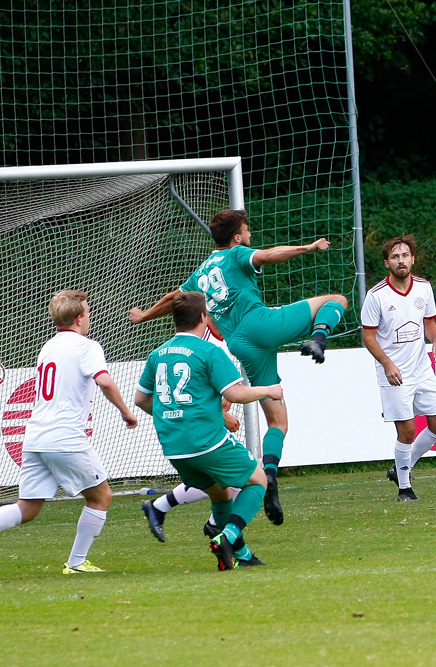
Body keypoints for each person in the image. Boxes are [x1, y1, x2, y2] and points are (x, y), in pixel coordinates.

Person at [129, 208, 348, 526]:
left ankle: (269, 477)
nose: (249, 236)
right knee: (337, 300)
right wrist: (309, 248)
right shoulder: (236, 255)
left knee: (278, 422)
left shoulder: (201, 272)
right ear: (236, 237)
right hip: (261, 324)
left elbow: (175, 298)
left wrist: (144, 315)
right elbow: (269, 255)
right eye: (246, 231)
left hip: (241, 345)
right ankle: (318, 339)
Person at [0, 290, 139, 577]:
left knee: (28, 507)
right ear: (78, 319)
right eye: (87, 313)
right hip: (65, 437)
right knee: (101, 497)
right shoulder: (88, 346)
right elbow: (105, 382)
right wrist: (126, 411)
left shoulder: (48, 346)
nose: (89, 318)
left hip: (36, 437)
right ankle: (76, 562)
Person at [135, 292, 284, 570]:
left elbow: (141, 399)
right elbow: (235, 393)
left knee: (220, 495)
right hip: (206, 440)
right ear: (204, 317)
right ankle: (227, 536)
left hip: (174, 446)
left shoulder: (157, 354)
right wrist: (269, 390)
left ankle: (240, 557)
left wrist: (170, 416)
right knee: (258, 481)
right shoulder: (209, 351)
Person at [360, 235, 436, 502]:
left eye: (405, 255)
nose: (401, 260)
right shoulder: (376, 296)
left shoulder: (423, 287)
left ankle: (402, 467)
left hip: (422, 368)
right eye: (395, 257)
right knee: (407, 430)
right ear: (387, 262)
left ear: (413, 259)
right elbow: (368, 336)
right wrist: (387, 363)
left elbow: (429, 321)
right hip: (394, 373)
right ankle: (405, 488)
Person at [142, 325, 244, 543]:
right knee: (248, 477)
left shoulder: (225, 337)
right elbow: (200, 392)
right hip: (199, 432)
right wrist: (221, 417)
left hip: (192, 431)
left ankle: (162, 507)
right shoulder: (203, 344)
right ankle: (219, 529)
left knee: (225, 482)